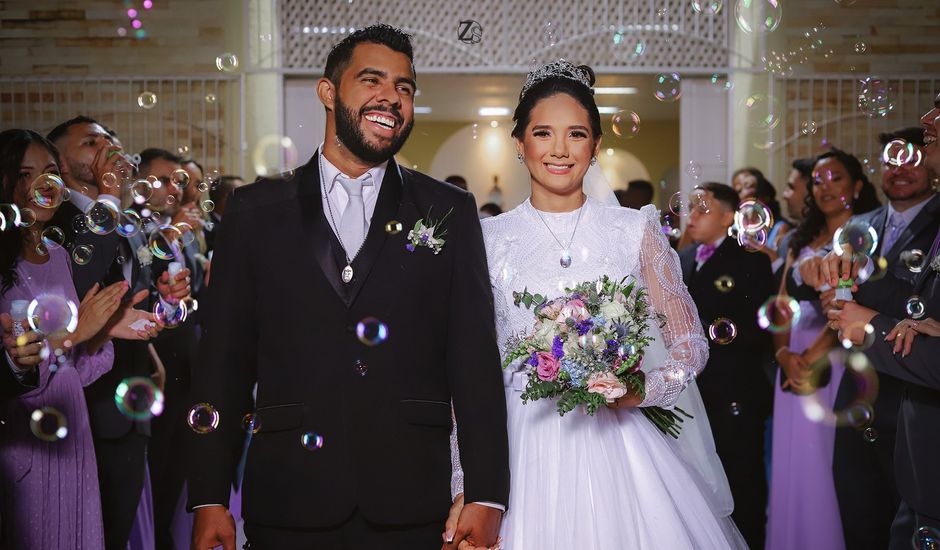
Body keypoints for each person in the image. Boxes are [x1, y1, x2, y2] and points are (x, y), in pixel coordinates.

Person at [187, 24, 509, 550]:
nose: (392, 97)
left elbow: (473, 358)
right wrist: (208, 496)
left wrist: (486, 492)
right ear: (329, 92)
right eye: (372, 80)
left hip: (412, 498)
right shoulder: (255, 212)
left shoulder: (448, 211)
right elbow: (224, 360)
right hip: (289, 495)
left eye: (405, 87)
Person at [448, 60, 746, 549]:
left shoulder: (635, 230)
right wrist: (466, 485)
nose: (560, 150)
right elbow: (467, 374)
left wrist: (640, 388)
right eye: (543, 133)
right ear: (520, 144)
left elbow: (691, 342)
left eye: (577, 134)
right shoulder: (486, 239)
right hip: (518, 452)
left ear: (597, 146)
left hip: (618, 448)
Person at [46, 116, 186, 550]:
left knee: (117, 531)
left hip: (129, 401)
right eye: (90, 143)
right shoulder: (57, 219)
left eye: (111, 142)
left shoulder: (126, 222)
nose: (107, 149)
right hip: (81, 405)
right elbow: (77, 282)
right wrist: (108, 193)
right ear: (61, 164)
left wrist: (163, 299)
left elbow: (132, 303)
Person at [0, 128, 133, 549]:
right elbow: (21, 368)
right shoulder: (5, 267)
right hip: (27, 445)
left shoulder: (58, 256)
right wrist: (78, 332)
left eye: (51, 171)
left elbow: (75, 365)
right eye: (25, 174)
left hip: (72, 433)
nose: (43, 183)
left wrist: (108, 327)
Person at [826, 95, 940, 550]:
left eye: (910, 158)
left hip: (912, 390)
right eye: (890, 161)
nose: (899, 170)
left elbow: (914, 299)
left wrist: (866, 309)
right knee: (857, 509)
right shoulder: (861, 224)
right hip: (862, 386)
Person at [768, 147, 881, 550]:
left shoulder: (864, 236)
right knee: (790, 462)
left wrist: (811, 357)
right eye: (818, 180)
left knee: (823, 464)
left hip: (832, 359)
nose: (825, 187)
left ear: (858, 186)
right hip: (793, 356)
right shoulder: (800, 239)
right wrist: (784, 355)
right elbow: (780, 304)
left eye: (836, 178)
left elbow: (848, 307)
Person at [679, 182, 775, 549]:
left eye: (703, 209)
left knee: (741, 474)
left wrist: (702, 335)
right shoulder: (684, 257)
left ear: (727, 217)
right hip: (694, 390)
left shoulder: (751, 259)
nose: (692, 216)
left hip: (735, 386)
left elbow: (757, 326)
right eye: (691, 208)